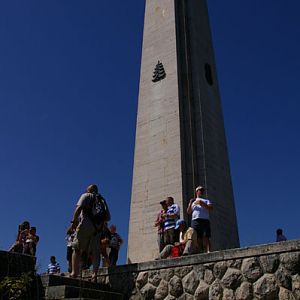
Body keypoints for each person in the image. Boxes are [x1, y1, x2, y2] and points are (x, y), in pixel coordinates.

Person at [70, 184, 110, 280]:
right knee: (95, 252)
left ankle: (74, 273)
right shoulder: (102, 200)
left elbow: (79, 208)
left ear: (89, 190)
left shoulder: (86, 195)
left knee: (77, 247)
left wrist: (74, 221)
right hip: (98, 229)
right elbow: (108, 217)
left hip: (85, 224)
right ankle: (94, 274)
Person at [187, 186, 213, 253]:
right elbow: (188, 212)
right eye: (200, 190)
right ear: (196, 192)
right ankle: (200, 250)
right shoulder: (193, 202)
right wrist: (190, 203)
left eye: (202, 190)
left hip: (205, 219)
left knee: (206, 235)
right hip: (195, 220)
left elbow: (211, 208)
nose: (201, 191)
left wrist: (202, 203)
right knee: (198, 237)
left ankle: (208, 250)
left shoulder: (206, 200)